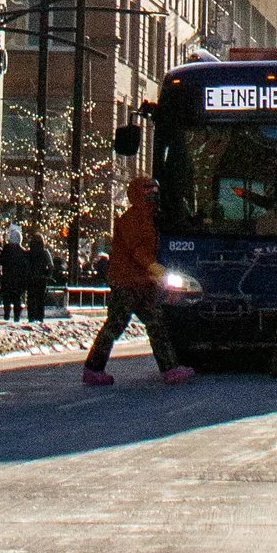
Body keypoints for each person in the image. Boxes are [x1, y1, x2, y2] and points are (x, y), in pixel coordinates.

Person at [83, 158, 196, 388]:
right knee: (119, 325)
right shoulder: (131, 220)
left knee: (154, 325)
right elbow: (137, 249)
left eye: (155, 193)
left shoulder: (150, 219)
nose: (153, 197)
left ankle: (169, 368)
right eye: (148, 193)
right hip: (127, 282)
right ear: (138, 195)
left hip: (143, 283)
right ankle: (94, 369)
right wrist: (154, 268)